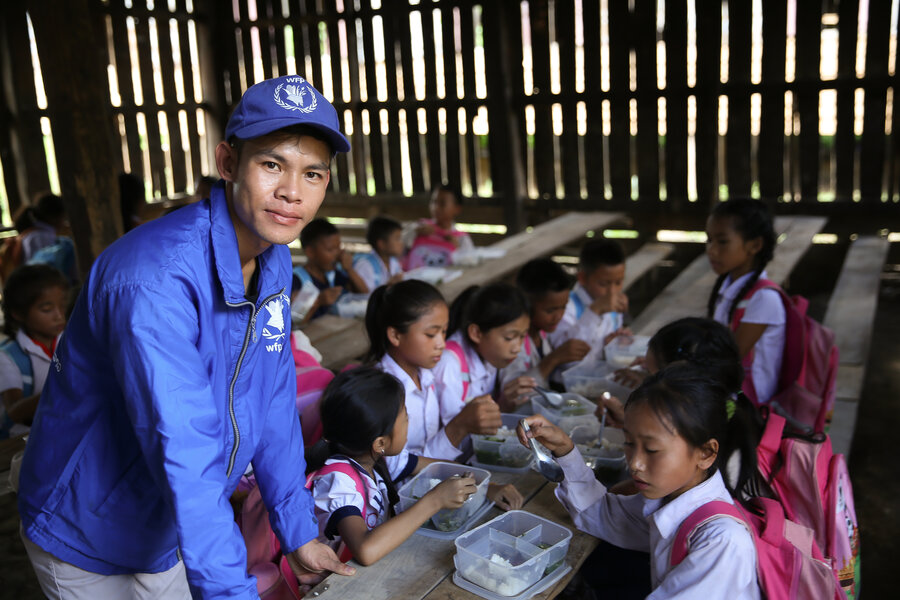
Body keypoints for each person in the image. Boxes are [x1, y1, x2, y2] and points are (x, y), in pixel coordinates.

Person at [17, 74, 355, 598]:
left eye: (313, 173)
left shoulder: (273, 260)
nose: (293, 192)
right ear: (227, 164)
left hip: (172, 521)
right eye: (272, 164)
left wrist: (297, 530)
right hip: (87, 525)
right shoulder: (153, 280)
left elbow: (270, 396)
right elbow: (183, 442)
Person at [519, 364, 761, 599]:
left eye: (652, 449)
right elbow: (600, 515)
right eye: (629, 443)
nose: (634, 463)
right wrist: (564, 450)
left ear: (706, 453)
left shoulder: (721, 543)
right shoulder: (671, 499)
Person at [309, 367, 496, 565]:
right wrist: (435, 500)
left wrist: (484, 486)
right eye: (405, 417)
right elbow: (365, 551)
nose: (409, 421)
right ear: (380, 443)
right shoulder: (338, 481)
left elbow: (441, 468)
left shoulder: (380, 458)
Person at [705, 198, 783, 405]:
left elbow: (728, 359)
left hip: (752, 409)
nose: (711, 250)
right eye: (709, 240)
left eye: (722, 241)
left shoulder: (763, 299)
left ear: (754, 245)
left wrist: (665, 369)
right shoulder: (728, 288)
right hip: (731, 395)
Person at [433, 283, 533, 416]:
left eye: (522, 336)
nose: (517, 348)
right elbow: (455, 432)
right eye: (509, 338)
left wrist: (504, 404)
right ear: (476, 333)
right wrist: (501, 407)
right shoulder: (449, 364)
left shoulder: (490, 355)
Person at [0, 265, 69, 439]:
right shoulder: (9, 358)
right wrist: (63, 387)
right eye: (46, 309)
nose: (59, 315)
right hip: (28, 440)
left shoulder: (70, 341)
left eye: (62, 306)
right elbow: (14, 411)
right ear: (18, 313)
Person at [503, 258, 591, 389]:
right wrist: (553, 359)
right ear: (526, 303)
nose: (558, 316)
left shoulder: (543, 333)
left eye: (563, 307)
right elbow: (514, 393)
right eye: (550, 310)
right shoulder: (513, 343)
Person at [548, 238, 630, 363]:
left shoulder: (614, 309)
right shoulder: (566, 308)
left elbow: (604, 348)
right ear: (582, 278)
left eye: (618, 282)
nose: (612, 292)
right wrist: (594, 311)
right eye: (603, 284)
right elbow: (566, 360)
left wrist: (614, 344)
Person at [293, 217, 367, 323]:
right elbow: (295, 321)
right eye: (330, 250)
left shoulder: (332, 275)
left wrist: (349, 269)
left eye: (338, 248)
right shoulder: (297, 279)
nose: (337, 254)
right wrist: (319, 301)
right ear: (310, 252)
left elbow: (363, 293)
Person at [0, 194, 72, 283]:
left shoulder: (31, 235)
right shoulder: (42, 238)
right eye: (63, 217)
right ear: (55, 218)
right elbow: (45, 273)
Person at [403, 184, 474, 269]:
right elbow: (398, 244)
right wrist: (415, 232)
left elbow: (469, 264)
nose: (435, 207)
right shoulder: (419, 227)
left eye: (442, 204)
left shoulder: (461, 239)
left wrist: (457, 249)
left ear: (457, 209)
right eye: (434, 202)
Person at [353, 215, 405, 292]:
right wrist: (387, 286)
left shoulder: (393, 262)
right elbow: (366, 297)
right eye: (397, 239)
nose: (401, 243)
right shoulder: (365, 265)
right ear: (382, 244)